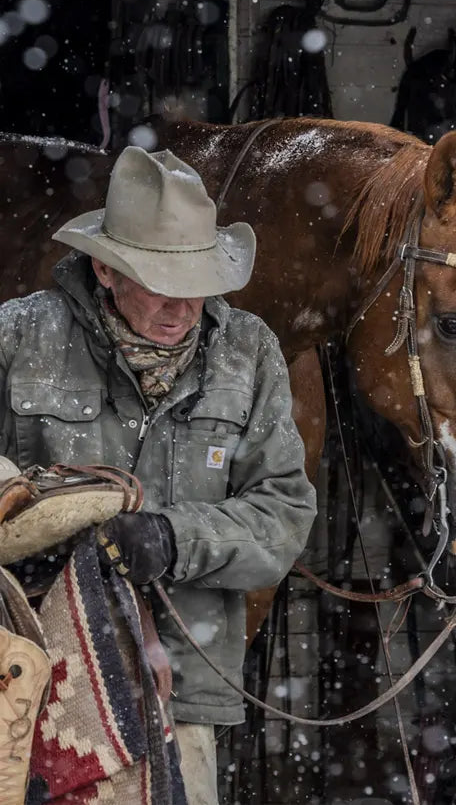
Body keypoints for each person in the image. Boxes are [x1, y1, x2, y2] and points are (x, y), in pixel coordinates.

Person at [0, 145, 317, 804]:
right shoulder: (19, 337)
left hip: (183, 693)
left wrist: (172, 538)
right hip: (30, 689)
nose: (183, 307)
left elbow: (284, 514)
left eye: (197, 284)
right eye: (161, 284)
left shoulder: (247, 351)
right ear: (106, 269)